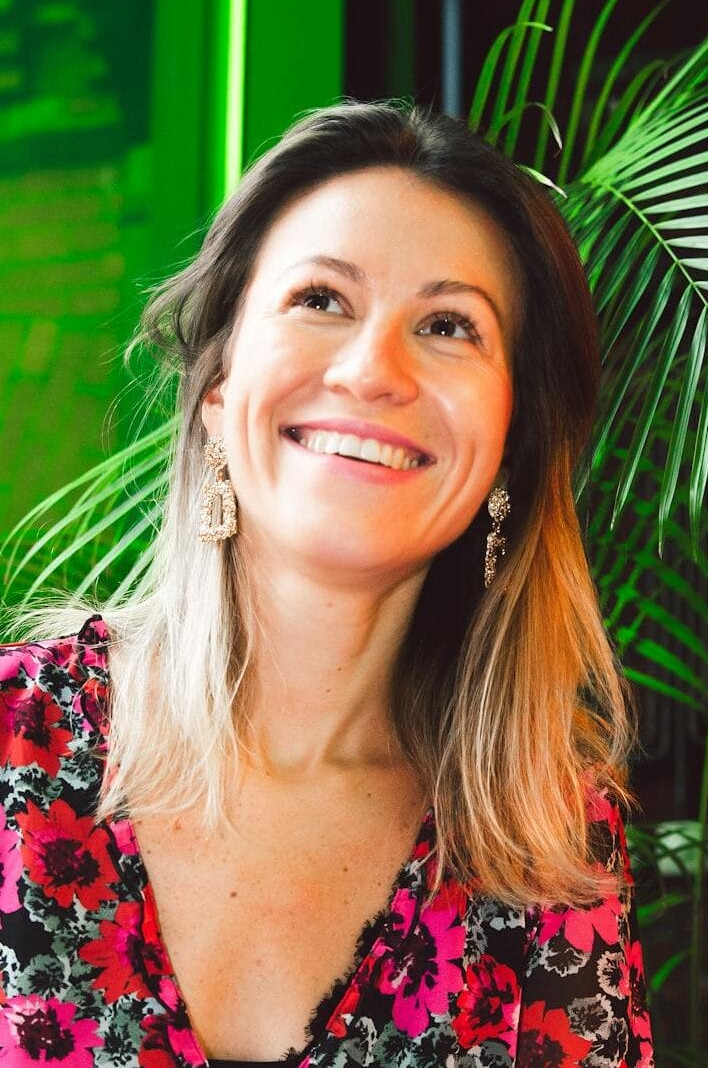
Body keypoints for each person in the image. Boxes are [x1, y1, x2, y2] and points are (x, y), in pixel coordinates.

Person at [0, 100, 654, 1067]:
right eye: (321, 300)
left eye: (446, 324)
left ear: (510, 445)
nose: (370, 369)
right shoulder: (15, 739)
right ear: (218, 391)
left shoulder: (548, 834)